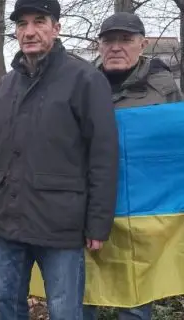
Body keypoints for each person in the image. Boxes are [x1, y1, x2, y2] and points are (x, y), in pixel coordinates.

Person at [0, 0, 120, 319]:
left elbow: (103, 156)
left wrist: (98, 222)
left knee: (65, 308)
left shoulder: (84, 80)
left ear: (56, 28)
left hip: (60, 223)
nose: (29, 31)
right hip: (8, 218)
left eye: (39, 22)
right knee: (6, 301)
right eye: (21, 24)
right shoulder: (3, 88)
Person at [82, 12, 183, 320]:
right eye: (108, 40)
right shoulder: (81, 86)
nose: (116, 47)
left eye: (125, 40)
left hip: (145, 213)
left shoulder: (166, 90)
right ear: (99, 46)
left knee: (136, 299)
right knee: (80, 293)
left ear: (143, 44)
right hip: (88, 207)